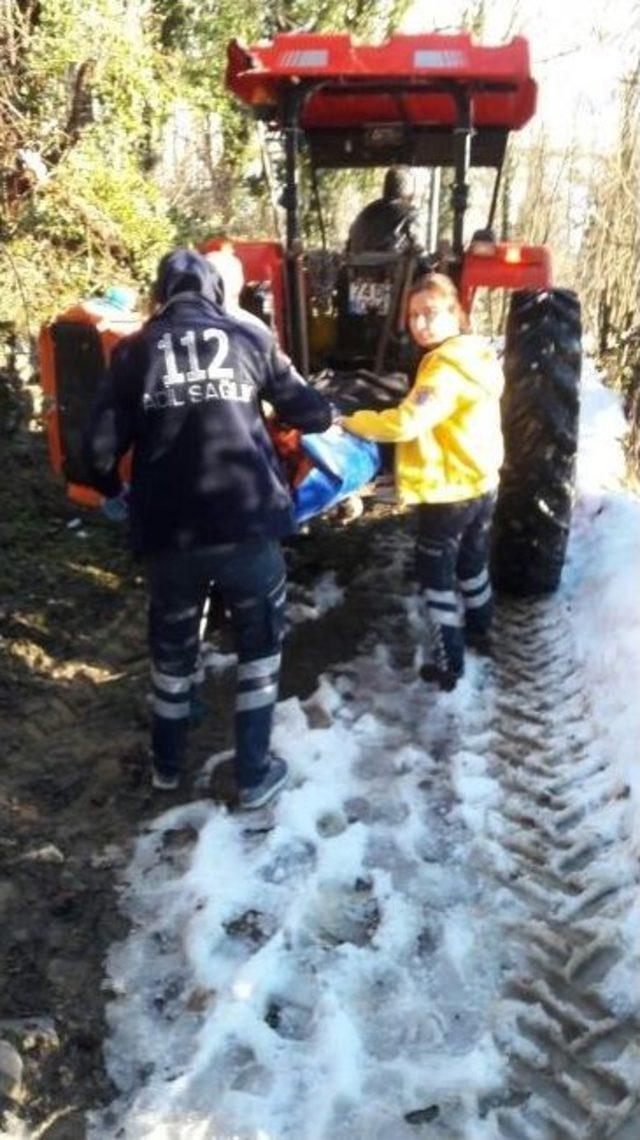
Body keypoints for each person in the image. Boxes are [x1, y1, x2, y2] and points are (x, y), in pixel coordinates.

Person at [83, 248, 332, 806]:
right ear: (217, 292)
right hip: (247, 527)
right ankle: (253, 775)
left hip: (170, 536)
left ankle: (167, 767)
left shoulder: (133, 352)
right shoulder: (249, 339)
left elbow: (94, 453)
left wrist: (115, 493)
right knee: (259, 649)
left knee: (172, 653)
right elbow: (312, 414)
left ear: (160, 295)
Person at [342, 272, 504, 691]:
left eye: (430, 313)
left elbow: (407, 422)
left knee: (436, 576)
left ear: (456, 313)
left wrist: (351, 421)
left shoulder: (444, 368)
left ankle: (450, 665)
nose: (419, 323)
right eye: (413, 315)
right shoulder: (476, 356)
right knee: (472, 565)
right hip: (481, 483)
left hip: (449, 492)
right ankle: (482, 632)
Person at [347, 166, 423, 255]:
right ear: (410, 192)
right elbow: (419, 250)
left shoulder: (365, 213)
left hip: (359, 263)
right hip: (393, 263)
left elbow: (349, 247)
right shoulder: (410, 214)